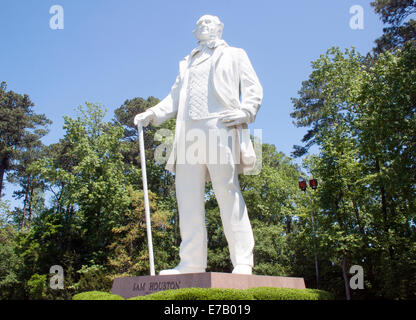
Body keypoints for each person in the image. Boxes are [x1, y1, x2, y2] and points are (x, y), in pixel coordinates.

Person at [134, 14, 263, 275]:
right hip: (188, 130)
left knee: (226, 190)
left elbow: (253, 87)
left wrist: (247, 111)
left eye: (209, 22)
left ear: (220, 27)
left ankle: (242, 261)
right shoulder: (187, 63)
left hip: (220, 124)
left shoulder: (235, 54)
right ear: (195, 32)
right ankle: (191, 262)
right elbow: (173, 99)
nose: (205, 25)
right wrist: (151, 114)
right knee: (187, 196)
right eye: (200, 23)